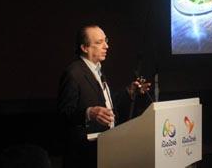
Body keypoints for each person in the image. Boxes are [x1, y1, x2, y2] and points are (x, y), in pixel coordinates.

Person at [57, 24, 151, 168]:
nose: (106, 46)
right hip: (84, 156)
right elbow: (64, 114)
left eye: (106, 40)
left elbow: (107, 105)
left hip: (105, 149)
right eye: (99, 42)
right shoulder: (73, 73)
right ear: (84, 48)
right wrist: (89, 113)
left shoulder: (98, 70)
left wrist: (129, 91)